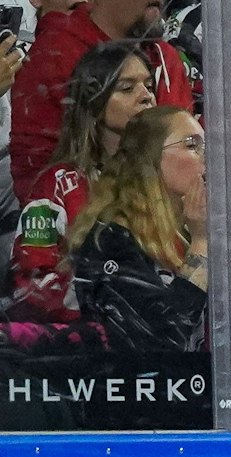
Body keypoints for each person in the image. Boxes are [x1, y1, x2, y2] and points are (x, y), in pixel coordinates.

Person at [67, 108, 231, 352]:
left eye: (207, 146)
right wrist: (201, 245)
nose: (207, 157)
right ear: (150, 158)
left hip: (201, 387)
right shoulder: (111, 241)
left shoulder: (202, 234)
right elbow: (157, 341)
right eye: (192, 145)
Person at [11, 42, 155, 321]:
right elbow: (29, 288)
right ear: (95, 103)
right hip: (90, 351)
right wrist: (107, 310)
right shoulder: (55, 187)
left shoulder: (172, 178)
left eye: (149, 86)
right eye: (127, 88)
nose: (146, 96)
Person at [8, 0, 193, 192]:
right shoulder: (54, 56)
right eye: (127, 87)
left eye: (147, 85)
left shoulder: (167, 58)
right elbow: (36, 183)